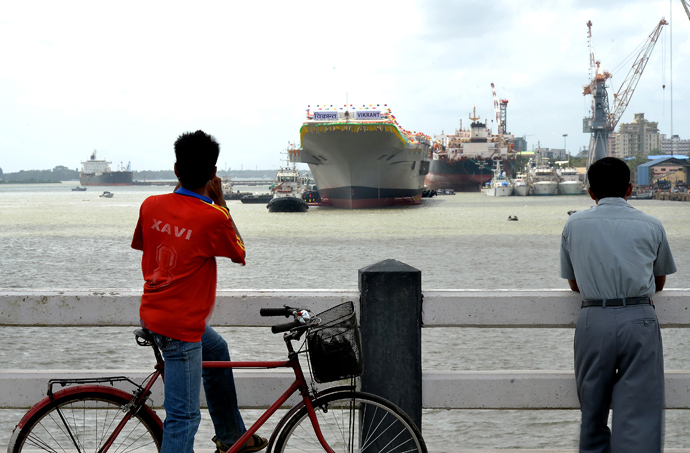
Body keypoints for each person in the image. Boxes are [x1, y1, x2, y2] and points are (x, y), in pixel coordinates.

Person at [131, 130, 267, 453]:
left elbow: (145, 243)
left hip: (154, 313)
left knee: (217, 349)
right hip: (181, 329)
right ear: (213, 174)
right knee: (184, 418)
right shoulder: (213, 217)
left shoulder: (150, 205)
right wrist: (221, 203)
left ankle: (232, 436)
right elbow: (240, 253)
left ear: (176, 170)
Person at [560, 157, 676, 453]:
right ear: (630, 189)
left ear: (590, 192)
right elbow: (659, 282)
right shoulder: (652, 225)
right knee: (641, 410)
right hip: (639, 317)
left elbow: (574, 284)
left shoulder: (574, 224)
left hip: (593, 318)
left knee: (592, 409)